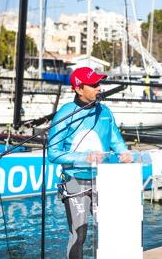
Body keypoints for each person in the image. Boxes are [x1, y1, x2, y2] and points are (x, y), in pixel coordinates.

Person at [48, 66, 132, 259]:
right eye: (93, 84)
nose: (99, 88)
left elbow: (116, 141)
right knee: (79, 234)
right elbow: (53, 153)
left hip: (104, 179)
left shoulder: (105, 112)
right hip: (76, 181)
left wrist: (125, 153)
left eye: (98, 83)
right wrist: (83, 158)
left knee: (110, 231)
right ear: (78, 89)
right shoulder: (65, 113)